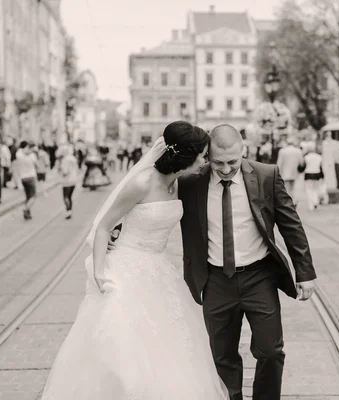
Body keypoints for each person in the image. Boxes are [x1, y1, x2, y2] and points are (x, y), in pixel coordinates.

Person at [40, 121, 228, 400]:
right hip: (127, 269)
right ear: (185, 156)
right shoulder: (141, 183)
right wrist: (100, 273)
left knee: (169, 348)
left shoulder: (179, 183)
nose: (206, 161)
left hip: (160, 270)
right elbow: (104, 226)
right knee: (125, 351)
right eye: (202, 155)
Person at [176, 124, 316, 400]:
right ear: (207, 156)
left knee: (271, 351)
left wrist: (305, 272)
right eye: (218, 163)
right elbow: (152, 202)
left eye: (232, 162)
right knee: (222, 355)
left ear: (244, 151)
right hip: (215, 279)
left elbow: (291, 225)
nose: (226, 169)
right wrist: (118, 229)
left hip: (259, 276)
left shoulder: (266, 175)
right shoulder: (191, 182)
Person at [14, 141, 39, 220]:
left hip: (23, 178)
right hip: (31, 177)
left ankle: (27, 214)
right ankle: (26, 209)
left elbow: (21, 152)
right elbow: (37, 165)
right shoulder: (32, 156)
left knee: (28, 196)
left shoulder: (19, 154)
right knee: (33, 196)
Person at [276, 137, 305, 205]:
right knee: (293, 187)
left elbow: (279, 163)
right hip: (295, 172)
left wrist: (278, 172)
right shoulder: (298, 151)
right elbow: (302, 162)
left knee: (286, 187)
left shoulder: (282, 151)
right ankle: (293, 200)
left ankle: (288, 201)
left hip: (285, 171)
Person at [58, 144, 80, 219]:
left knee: (66, 197)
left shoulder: (65, 160)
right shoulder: (73, 158)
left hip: (67, 181)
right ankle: (70, 210)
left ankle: (68, 211)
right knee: (70, 196)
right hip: (74, 180)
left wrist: (60, 170)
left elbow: (65, 172)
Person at [303, 145, 325, 209]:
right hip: (317, 174)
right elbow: (321, 167)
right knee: (316, 189)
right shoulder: (319, 157)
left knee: (309, 189)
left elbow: (303, 166)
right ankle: (315, 201)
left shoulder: (306, 157)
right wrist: (322, 176)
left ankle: (311, 204)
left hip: (308, 174)